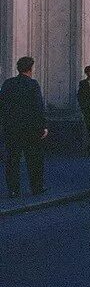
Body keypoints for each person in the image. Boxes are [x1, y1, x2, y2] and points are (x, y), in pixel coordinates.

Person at [1, 57, 47, 198]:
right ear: (30, 69)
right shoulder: (32, 85)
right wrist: (43, 126)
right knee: (34, 160)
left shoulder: (8, 84)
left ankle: (14, 190)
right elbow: (38, 107)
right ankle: (36, 188)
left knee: (12, 161)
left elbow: (2, 105)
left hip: (12, 129)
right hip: (30, 129)